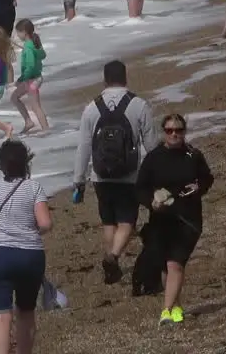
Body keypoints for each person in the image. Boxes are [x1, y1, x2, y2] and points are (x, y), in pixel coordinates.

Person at [72, 60, 158, 285]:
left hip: (100, 177)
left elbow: (83, 146)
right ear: (125, 77)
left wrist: (78, 180)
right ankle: (113, 257)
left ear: (104, 80)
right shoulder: (138, 104)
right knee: (127, 221)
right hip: (129, 176)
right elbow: (151, 145)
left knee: (109, 221)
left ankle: (112, 265)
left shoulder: (92, 107)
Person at [0, 140, 52, 354]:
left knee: (1, 315)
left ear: (1, 165)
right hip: (30, 255)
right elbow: (45, 224)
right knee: (26, 313)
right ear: (26, 162)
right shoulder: (34, 187)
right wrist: (27, 230)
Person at [136, 113, 215, 325]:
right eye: (170, 130)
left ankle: (165, 311)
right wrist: (151, 201)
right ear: (164, 133)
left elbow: (207, 178)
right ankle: (177, 306)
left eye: (178, 130)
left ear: (184, 132)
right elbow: (140, 187)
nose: (174, 134)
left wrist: (199, 187)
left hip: (188, 220)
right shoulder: (153, 158)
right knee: (165, 266)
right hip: (162, 220)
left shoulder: (193, 155)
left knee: (175, 264)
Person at [12, 19, 49, 134]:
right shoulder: (34, 44)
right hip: (34, 78)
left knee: (35, 106)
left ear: (24, 32)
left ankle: (46, 129)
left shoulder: (28, 48)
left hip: (32, 80)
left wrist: (21, 79)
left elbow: (30, 66)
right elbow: (43, 55)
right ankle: (28, 121)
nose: (17, 35)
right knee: (14, 97)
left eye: (18, 32)